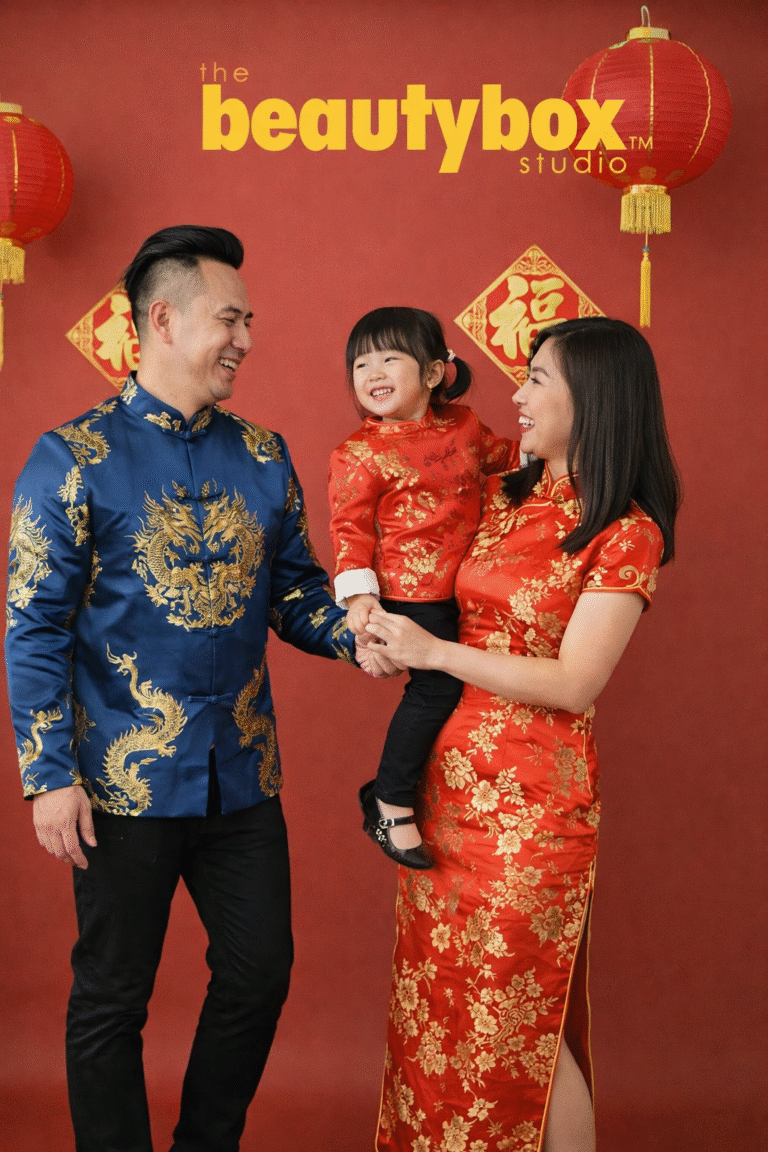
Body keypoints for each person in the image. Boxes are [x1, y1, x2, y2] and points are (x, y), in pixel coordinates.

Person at [4, 225, 387, 1152]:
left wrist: (359, 636)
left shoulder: (263, 455)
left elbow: (293, 591)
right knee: (112, 997)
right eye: (230, 319)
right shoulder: (73, 458)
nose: (247, 339)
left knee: (260, 974)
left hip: (241, 773)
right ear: (163, 321)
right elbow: (33, 624)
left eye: (249, 320)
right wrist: (47, 772)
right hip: (120, 784)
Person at [361, 316, 681, 1151]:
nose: (517, 395)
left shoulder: (625, 530)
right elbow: (409, 478)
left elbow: (576, 682)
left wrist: (436, 651)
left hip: (533, 814)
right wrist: (368, 611)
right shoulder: (508, 493)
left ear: (598, 398)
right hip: (446, 791)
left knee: (518, 1024)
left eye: (538, 378)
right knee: (442, 1011)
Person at [328, 307, 516, 869]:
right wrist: (361, 600)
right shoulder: (358, 452)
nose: (372, 372)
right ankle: (389, 799)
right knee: (434, 692)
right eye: (361, 363)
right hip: (412, 596)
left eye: (389, 357)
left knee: (476, 686)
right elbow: (349, 528)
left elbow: (501, 459)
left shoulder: (463, 425)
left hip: (469, 587)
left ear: (434, 373)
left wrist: (557, 453)